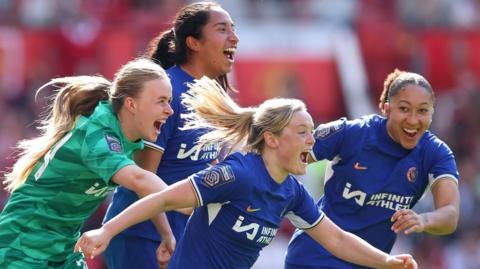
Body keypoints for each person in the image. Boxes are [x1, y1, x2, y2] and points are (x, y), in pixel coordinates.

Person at [75, 77, 417, 269]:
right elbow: (162, 198)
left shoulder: (292, 193)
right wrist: (107, 230)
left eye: (312, 131)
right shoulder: (236, 175)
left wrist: (387, 261)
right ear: (270, 138)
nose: (312, 140)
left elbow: (337, 239)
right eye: (302, 132)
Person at [0, 58, 176, 268]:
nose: (169, 110)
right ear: (131, 104)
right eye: (161, 101)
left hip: (64, 246)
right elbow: (139, 179)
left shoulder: (128, 135)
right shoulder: (98, 136)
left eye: (169, 101)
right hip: (22, 242)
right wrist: (191, 198)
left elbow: (145, 188)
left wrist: (166, 233)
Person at [102, 1, 239, 268]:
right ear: (194, 42)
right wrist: (167, 232)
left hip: (182, 237)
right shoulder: (167, 91)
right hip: (142, 237)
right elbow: (143, 178)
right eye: (222, 29)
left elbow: (201, 168)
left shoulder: (213, 95)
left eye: (233, 29)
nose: (234, 37)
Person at [284, 69, 460, 268]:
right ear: (386, 109)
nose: (412, 120)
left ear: (431, 113)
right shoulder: (353, 133)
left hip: (370, 262)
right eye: (404, 109)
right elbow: (286, 157)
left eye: (422, 110)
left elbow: (450, 214)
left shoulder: (436, 153)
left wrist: (424, 220)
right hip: (315, 257)